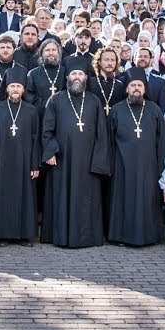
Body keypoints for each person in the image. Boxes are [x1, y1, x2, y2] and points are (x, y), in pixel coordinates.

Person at [41, 69, 111, 248]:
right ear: (67, 78)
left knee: (87, 200)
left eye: (80, 74)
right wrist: (50, 152)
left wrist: (99, 160)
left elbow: (101, 133)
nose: (77, 78)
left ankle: (87, 238)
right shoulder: (55, 99)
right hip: (62, 160)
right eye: (74, 74)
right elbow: (47, 129)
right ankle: (62, 237)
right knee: (62, 196)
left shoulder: (94, 100)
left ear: (86, 78)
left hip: (88, 162)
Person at [106, 78, 165, 247]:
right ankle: (120, 236)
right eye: (133, 85)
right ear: (126, 89)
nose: (136, 89)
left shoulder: (154, 110)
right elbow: (109, 141)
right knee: (123, 199)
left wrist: (162, 166)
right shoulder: (117, 109)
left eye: (140, 85)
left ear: (145, 89)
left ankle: (149, 236)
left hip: (149, 165)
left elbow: (162, 140)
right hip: (122, 165)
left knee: (147, 199)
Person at [0, 76, 41, 246]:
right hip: (2, 161)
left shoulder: (31, 110)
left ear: (23, 90)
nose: (15, 89)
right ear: (6, 89)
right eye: (12, 86)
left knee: (25, 197)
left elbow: (36, 138)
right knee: (3, 197)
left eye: (19, 86)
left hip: (25, 163)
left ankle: (24, 235)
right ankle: (2, 235)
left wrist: (34, 164)